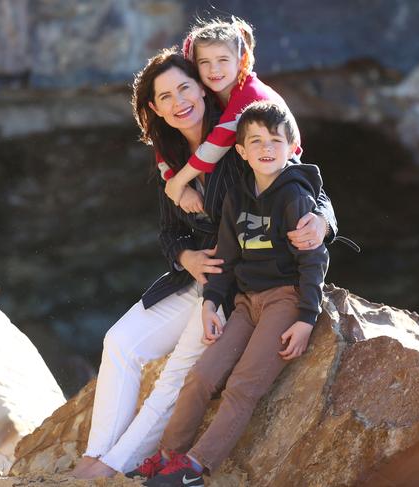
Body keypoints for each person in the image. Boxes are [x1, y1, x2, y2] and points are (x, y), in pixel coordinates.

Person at [71, 49, 336, 479]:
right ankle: (95, 453)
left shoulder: (239, 138)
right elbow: (168, 231)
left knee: (183, 370)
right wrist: (184, 255)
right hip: (194, 278)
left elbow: (304, 180)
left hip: (238, 284)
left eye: (185, 88)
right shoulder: (170, 154)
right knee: (120, 342)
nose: (180, 102)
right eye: (166, 97)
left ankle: (112, 469)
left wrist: (322, 222)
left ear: (202, 88)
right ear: (154, 108)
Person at [136, 100, 329, 487]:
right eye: (255, 141)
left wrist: (306, 317)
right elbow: (225, 255)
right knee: (202, 375)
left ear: (292, 147)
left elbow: (314, 259)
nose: (266, 148)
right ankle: (168, 454)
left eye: (275, 140)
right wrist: (210, 302)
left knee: (244, 384)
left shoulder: (295, 197)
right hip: (245, 303)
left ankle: (195, 467)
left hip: (285, 300)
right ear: (240, 151)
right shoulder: (236, 197)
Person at [158, 17, 302, 215]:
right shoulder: (212, 96)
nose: (213, 69)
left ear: (241, 60)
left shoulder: (251, 95)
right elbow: (162, 138)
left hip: (284, 180)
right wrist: (173, 183)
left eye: (223, 60)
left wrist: (178, 182)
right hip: (249, 191)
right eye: (204, 62)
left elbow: (216, 145)